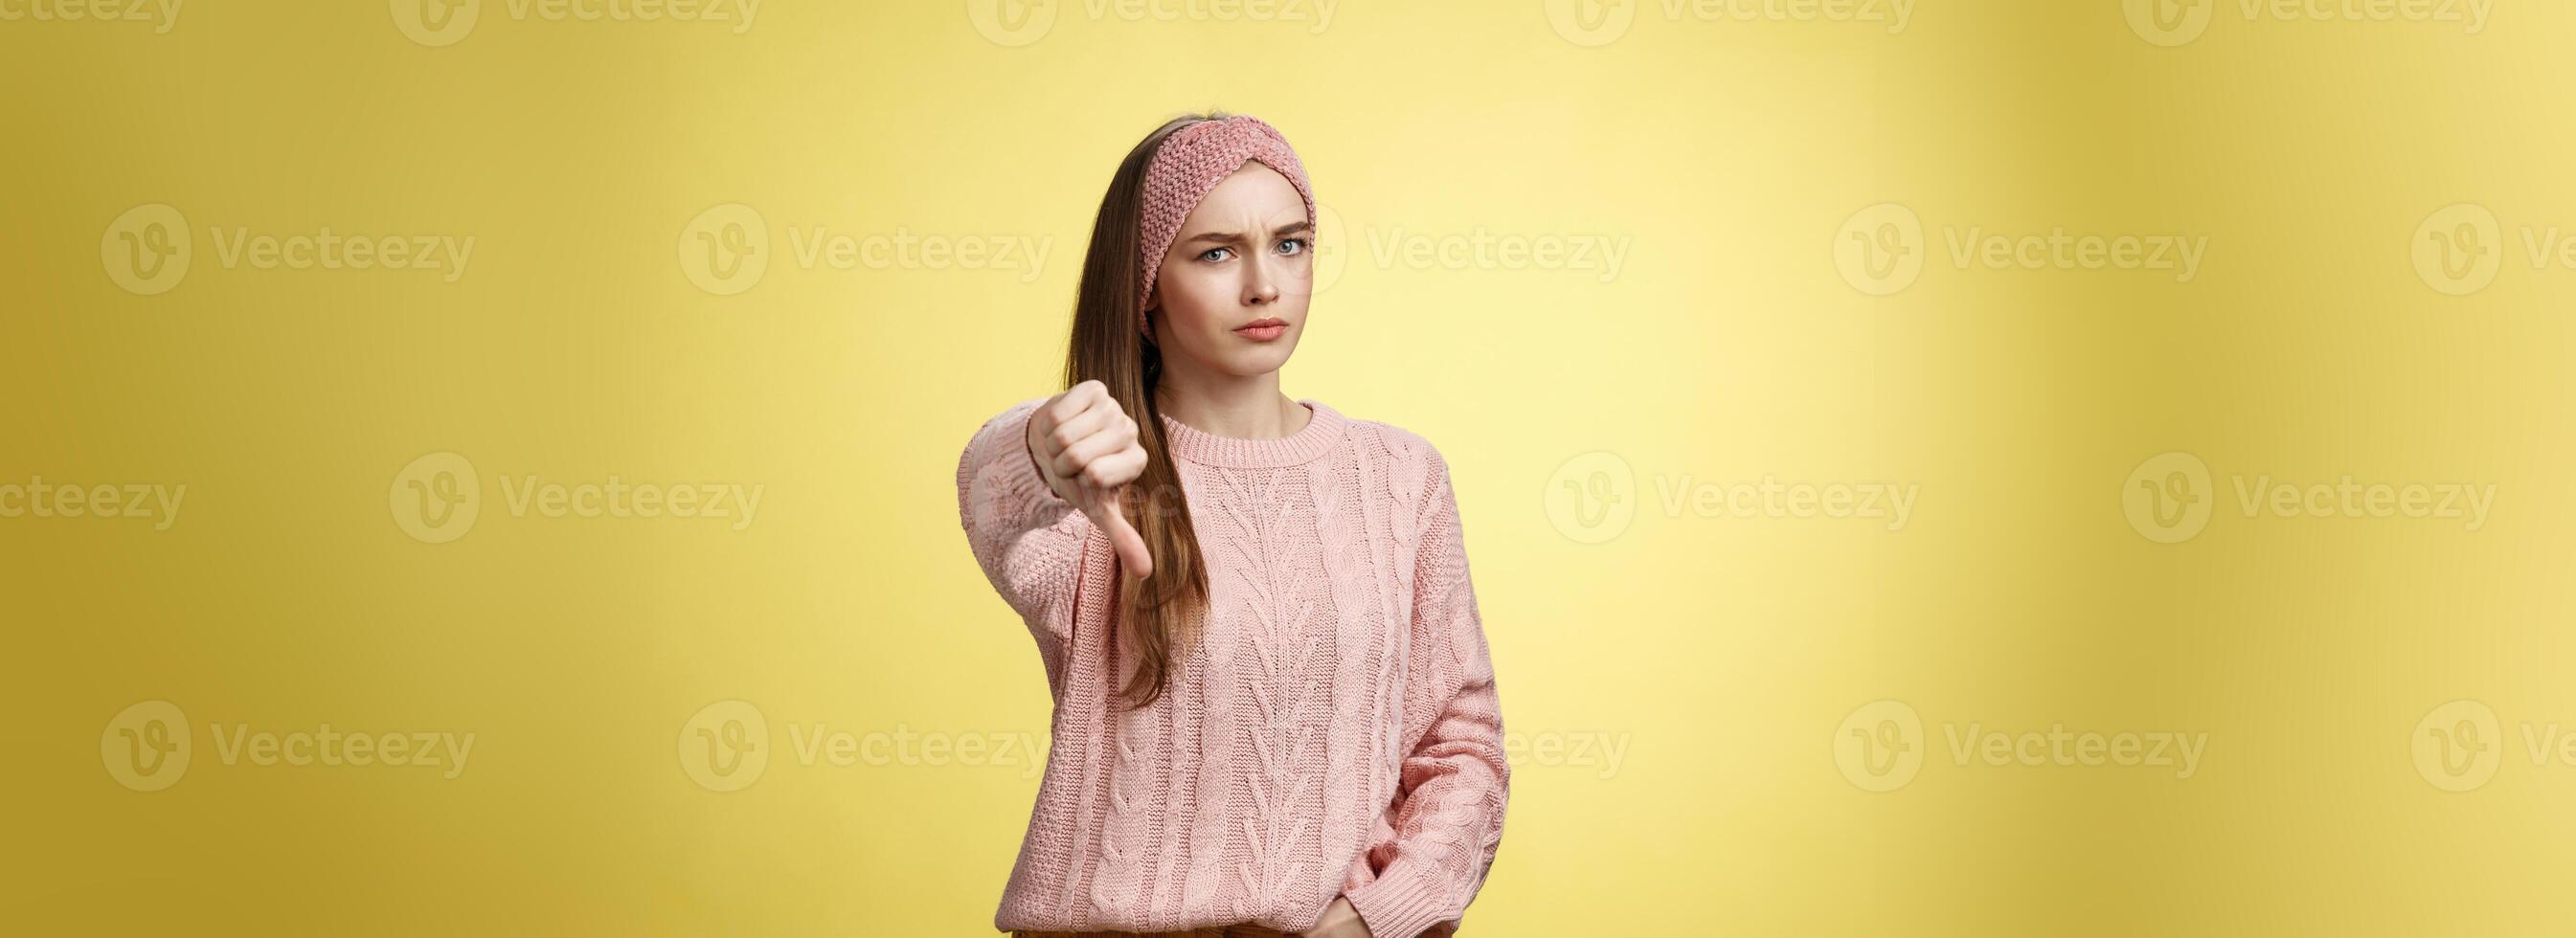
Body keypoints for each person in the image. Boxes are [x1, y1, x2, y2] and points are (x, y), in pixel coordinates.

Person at [957, 113, 1508, 938]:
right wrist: (1041, 446)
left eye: (1290, 243)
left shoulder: (1400, 477)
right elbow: (992, 496)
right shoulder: (1100, 485)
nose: (1265, 285)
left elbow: (1462, 749)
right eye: (1216, 252)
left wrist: (1373, 920)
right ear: (1145, 284)